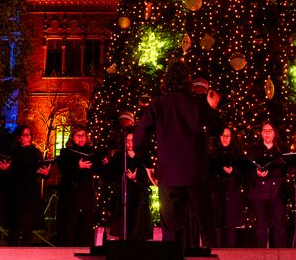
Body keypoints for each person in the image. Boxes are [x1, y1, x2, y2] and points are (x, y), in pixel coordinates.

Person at [133, 60, 223, 247]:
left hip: (169, 175)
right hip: (196, 173)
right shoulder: (197, 103)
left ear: (167, 80)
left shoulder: (158, 105)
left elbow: (138, 140)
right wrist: (212, 107)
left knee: (171, 233)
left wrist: (148, 165)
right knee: (206, 229)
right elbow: (218, 128)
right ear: (188, 80)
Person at [54, 126, 100, 248]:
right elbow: (63, 168)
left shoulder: (92, 152)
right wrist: (77, 166)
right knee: (70, 229)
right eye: (78, 135)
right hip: (71, 196)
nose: (81, 138)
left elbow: (97, 169)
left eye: (83, 135)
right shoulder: (66, 152)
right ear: (72, 137)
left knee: (85, 228)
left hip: (86, 196)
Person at [4, 125, 50, 246]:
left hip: (31, 193)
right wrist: (9, 170)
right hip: (16, 193)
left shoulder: (35, 152)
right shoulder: (12, 152)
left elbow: (41, 170)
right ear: (19, 137)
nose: (28, 137)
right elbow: (10, 173)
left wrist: (46, 173)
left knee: (28, 228)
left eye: (29, 135)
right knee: (15, 227)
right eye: (25, 135)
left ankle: (26, 253)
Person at [106, 128, 153, 241]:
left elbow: (150, 176)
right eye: (127, 140)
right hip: (124, 196)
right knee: (125, 226)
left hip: (139, 196)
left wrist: (136, 178)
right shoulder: (120, 156)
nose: (130, 143)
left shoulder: (143, 155)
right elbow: (112, 174)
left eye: (132, 140)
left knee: (138, 226)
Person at [207, 125, 249, 247]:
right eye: (223, 135)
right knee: (217, 224)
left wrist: (234, 171)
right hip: (216, 193)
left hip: (231, 193)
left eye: (228, 136)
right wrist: (219, 170)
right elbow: (207, 173)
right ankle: (216, 251)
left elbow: (244, 174)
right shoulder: (212, 154)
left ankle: (231, 252)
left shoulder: (238, 154)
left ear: (231, 138)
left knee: (231, 225)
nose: (225, 138)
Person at [250, 120, 289, 247]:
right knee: (261, 224)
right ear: (261, 133)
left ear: (274, 133)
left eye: (270, 130)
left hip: (277, 192)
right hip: (259, 192)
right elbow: (248, 169)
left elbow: (286, 169)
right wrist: (256, 173)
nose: (267, 133)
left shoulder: (281, 150)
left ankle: (281, 255)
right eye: (264, 131)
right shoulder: (254, 150)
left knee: (279, 224)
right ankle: (261, 254)